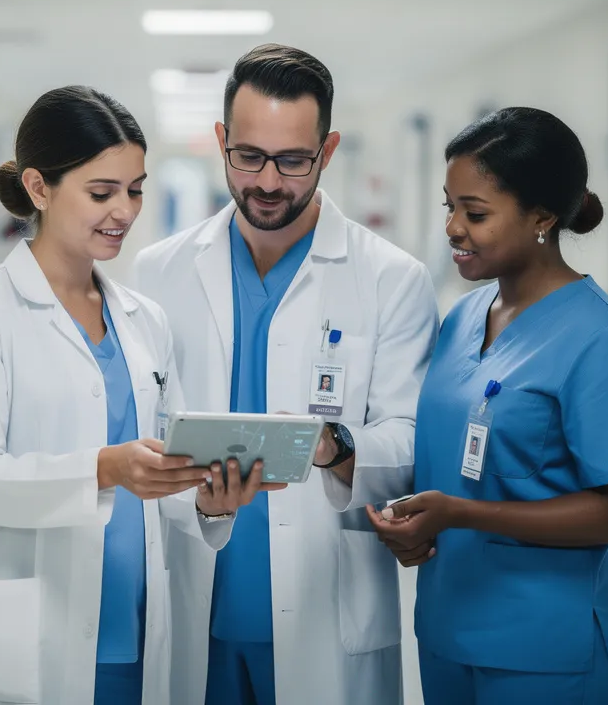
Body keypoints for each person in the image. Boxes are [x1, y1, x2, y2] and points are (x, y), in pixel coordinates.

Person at [0, 86, 271, 705]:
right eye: (101, 192)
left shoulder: (144, 319)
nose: (125, 211)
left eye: (135, 189)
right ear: (39, 187)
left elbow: (167, 473)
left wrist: (213, 501)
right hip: (27, 635)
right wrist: (104, 468)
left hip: (134, 627)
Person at [134, 44, 440, 705]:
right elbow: (143, 434)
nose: (267, 182)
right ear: (220, 141)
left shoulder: (391, 279)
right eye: (247, 156)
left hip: (326, 605)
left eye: (293, 161)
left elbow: (414, 438)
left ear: (328, 151)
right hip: (198, 599)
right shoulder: (159, 273)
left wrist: (338, 446)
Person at [368, 107, 608, 704]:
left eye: (475, 213)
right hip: (449, 626)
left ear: (543, 219)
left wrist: (462, 514)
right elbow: (448, 461)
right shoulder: (463, 319)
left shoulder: (602, 341)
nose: (452, 227)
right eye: (449, 206)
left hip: (546, 648)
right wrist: (413, 525)